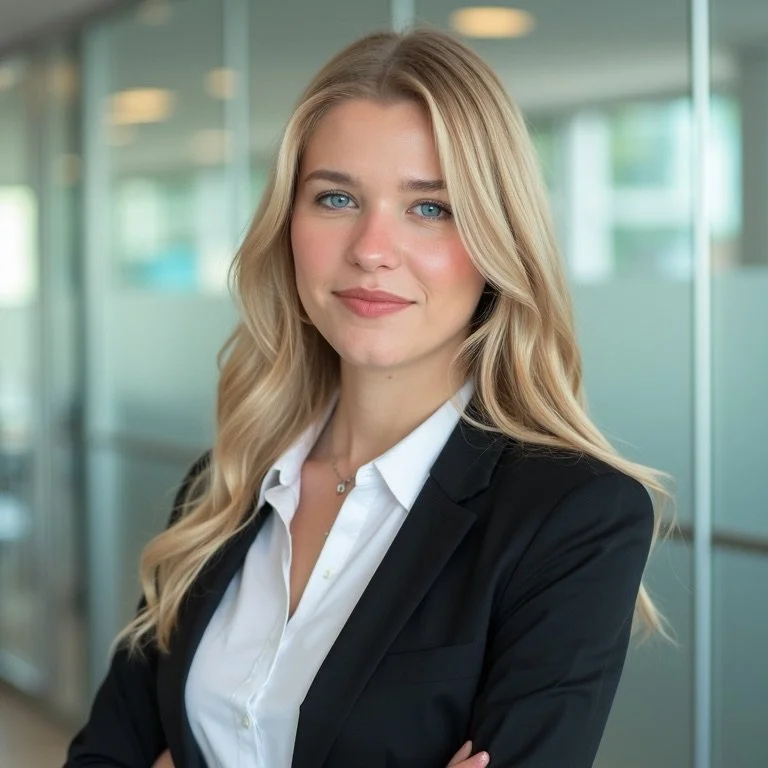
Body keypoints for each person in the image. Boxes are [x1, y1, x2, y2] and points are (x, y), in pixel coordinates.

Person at [65, 27, 668, 768]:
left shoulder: (572, 518)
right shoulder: (221, 490)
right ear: (288, 227)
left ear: (497, 240)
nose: (371, 248)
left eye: (430, 208)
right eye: (337, 197)